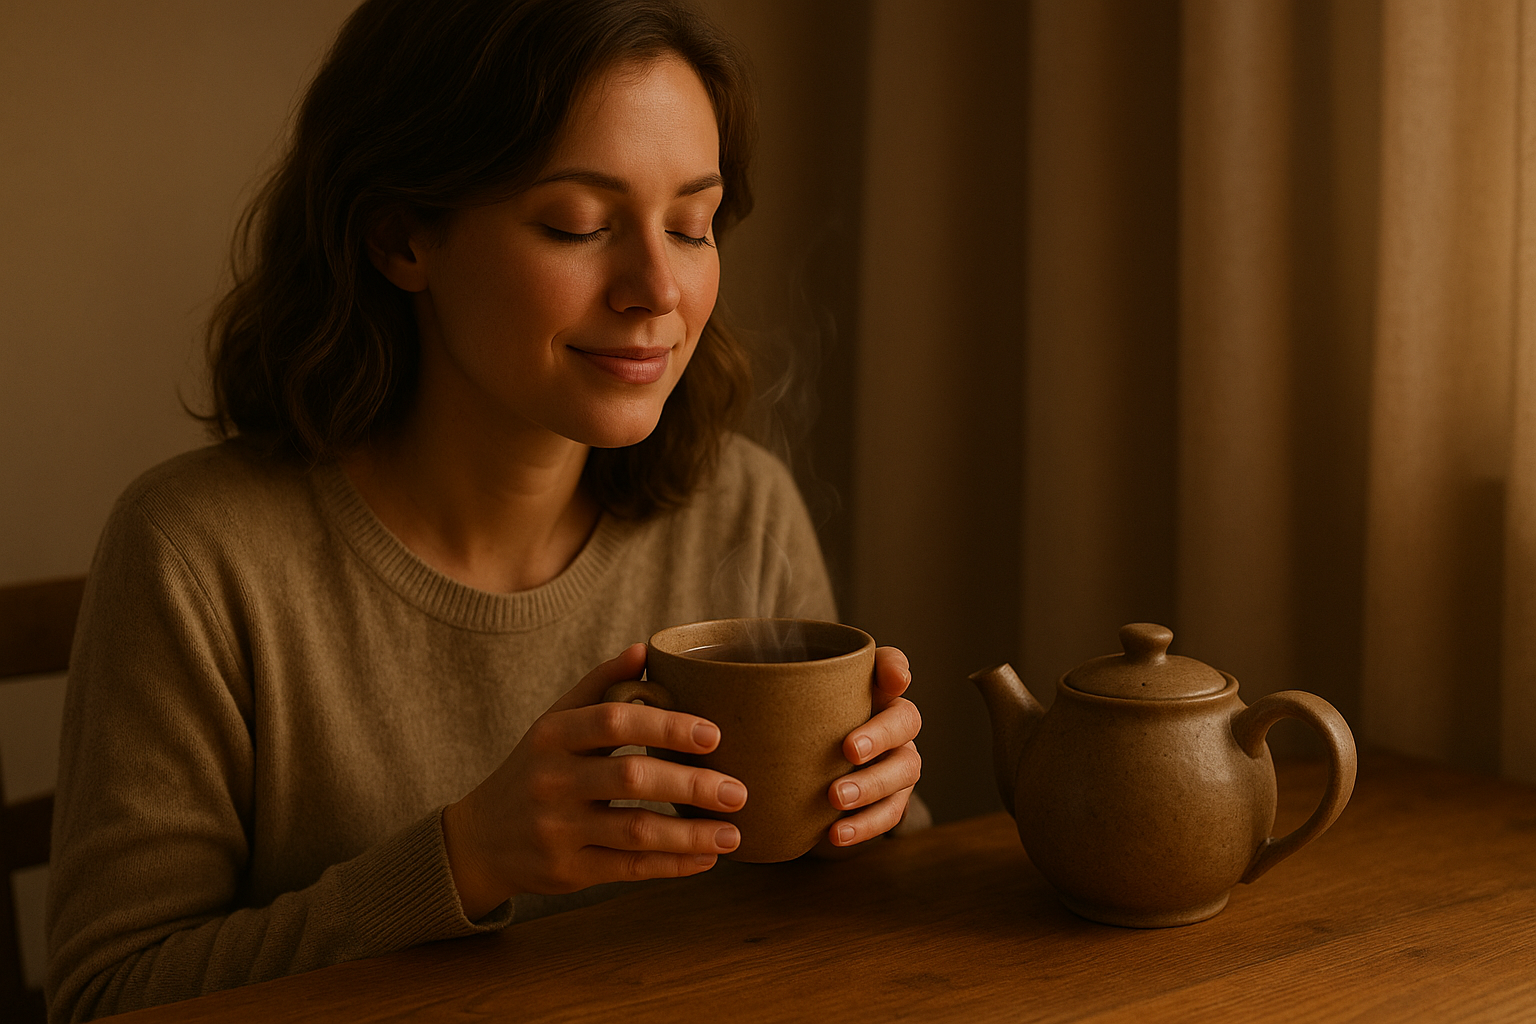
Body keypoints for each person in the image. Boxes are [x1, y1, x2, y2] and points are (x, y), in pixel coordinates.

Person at [44, 0, 924, 1020]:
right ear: (399, 236)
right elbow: (107, 996)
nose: (658, 288)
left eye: (692, 225)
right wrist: (464, 858)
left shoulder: (742, 511)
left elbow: (847, 949)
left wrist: (863, 815)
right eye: (579, 225)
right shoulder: (196, 557)